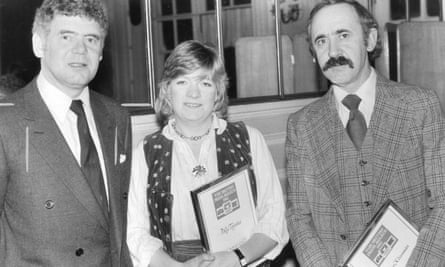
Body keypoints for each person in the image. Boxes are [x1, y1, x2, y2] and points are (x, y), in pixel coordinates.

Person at [285, 0, 445, 266]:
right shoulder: (301, 125)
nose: (332, 51)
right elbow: (299, 217)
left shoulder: (419, 106)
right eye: (321, 41)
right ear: (313, 53)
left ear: (370, 40)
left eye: (343, 35)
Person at [127, 40, 288, 267]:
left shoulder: (249, 140)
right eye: (182, 81)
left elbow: (274, 217)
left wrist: (236, 257)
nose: (193, 93)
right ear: (167, 91)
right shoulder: (146, 152)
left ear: (218, 93)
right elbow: (135, 232)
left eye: (204, 83)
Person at [0, 0, 132, 266]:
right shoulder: (6, 122)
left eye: (91, 39)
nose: (80, 50)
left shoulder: (116, 116)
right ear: (40, 44)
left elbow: (118, 226)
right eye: (66, 37)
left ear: (102, 51)